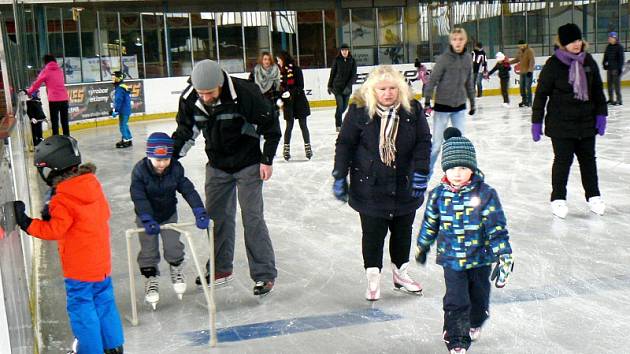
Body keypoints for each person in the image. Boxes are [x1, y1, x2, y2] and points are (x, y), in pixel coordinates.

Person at [171, 59, 281, 296]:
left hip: (249, 163)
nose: (205, 97)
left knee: (252, 218)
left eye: (210, 93)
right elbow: (185, 132)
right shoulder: (191, 98)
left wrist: (267, 159)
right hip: (217, 164)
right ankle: (220, 269)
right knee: (216, 218)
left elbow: (271, 125)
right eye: (201, 93)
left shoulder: (245, 93)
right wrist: (168, 162)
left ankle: (264, 274)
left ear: (220, 84)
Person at [12, 135, 124, 354]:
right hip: (101, 263)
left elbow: (54, 230)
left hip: (79, 268)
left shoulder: (63, 198)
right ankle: (113, 346)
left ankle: (90, 351)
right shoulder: (92, 185)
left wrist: (26, 223)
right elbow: (105, 213)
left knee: (82, 309)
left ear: (54, 169)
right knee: (104, 302)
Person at [332, 65, 432, 301]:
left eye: (392, 88)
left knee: (402, 232)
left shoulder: (412, 110)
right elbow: (345, 143)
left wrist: (421, 171)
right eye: (382, 89)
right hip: (370, 186)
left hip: (404, 184)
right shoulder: (359, 112)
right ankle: (373, 278)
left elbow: (423, 141)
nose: (388, 93)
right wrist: (339, 174)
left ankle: (400, 274)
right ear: (372, 91)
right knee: (373, 234)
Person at [415, 127, 514, 354]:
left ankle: (476, 320)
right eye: (451, 168)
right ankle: (456, 337)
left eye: (463, 168)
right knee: (456, 299)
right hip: (452, 259)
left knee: (478, 298)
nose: (457, 173)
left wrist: (503, 253)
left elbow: (496, 228)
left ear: (472, 168)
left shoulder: (486, 194)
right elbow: (430, 223)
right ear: (444, 169)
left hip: (480, 259)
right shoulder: (438, 195)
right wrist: (423, 245)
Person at [531, 23, 607, 218]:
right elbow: (541, 95)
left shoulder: (588, 60)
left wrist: (601, 114)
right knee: (563, 162)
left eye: (579, 40)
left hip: (586, 122)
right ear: (563, 43)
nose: (577, 44)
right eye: (572, 41)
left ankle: (594, 196)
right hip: (561, 125)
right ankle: (558, 199)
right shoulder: (553, 64)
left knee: (589, 161)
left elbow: (597, 90)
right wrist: (536, 121)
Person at [129, 132, 209, 309]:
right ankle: (150, 278)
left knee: (173, 245)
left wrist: (199, 209)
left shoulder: (175, 168)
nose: (162, 164)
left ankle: (176, 267)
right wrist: (146, 217)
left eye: (165, 159)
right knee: (148, 249)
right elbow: (138, 196)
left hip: (168, 214)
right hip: (145, 217)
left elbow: (188, 189)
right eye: (158, 160)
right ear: (149, 156)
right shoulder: (140, 171)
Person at [423, 27, 476, 177]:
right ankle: (425, 177)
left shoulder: (467, 58)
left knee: (459, 144)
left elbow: (469, 81)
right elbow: (432, 80)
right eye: (454, 39)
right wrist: (427, 101)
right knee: (437, 146)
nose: (457, 42)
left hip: (459, 107)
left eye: (460, 39)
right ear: (450, 41)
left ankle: (460, 177)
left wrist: (472, 101)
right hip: (442, 107)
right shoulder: (444, 59)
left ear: (465, 40)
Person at [277, 51, 313, 160]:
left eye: (279, 60)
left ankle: (308, 148)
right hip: (288, 103)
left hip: (299, 101)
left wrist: (290, 92)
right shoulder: (280, 73)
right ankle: (286, 149)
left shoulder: (296, 70)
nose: (278, 62)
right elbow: (278, 88)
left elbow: (300, 86)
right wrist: (281, 97)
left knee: (303, 125)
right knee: (289, 126)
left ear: (284, 59)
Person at [26, 54, 70, 136]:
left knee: (55, 122)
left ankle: (56, 140)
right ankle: (67, 139)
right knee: (65, 121)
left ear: (45, 62)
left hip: (54, 100)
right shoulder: (60, 70)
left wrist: (29, 91)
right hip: (64, 99)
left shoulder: (45, 71)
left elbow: (37, 84)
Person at [328, 44, 357, 132]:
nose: (344, 52)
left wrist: (349, 86)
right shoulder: (337, 60)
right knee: (340, 106)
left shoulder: (352, 61)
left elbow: (353, 75)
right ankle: (338, 125)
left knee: (344, 107)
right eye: (343, 50)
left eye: (346, 50)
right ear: (340, 51)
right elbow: (332, 73)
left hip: (347, 88)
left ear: (348, 51)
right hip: (337, 87)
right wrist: (329, 85)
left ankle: (337, 116)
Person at [510, 39, 535, 107]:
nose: (520, 47)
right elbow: (517, 59)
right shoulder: (520, 51)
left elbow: (531, 61)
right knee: (521, 87)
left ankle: (529, 102)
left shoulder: (530, 50)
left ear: (525, 45)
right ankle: (524, 101)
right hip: (522, 72)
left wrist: (530, 70)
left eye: (522, 46)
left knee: (528, 87)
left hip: (528, 72)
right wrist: (508, 63)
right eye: (519, 46)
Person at [112, 71, 133, 148]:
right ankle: (129, 139)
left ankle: (126, 140)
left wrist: (116, 111)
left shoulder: (120, 88)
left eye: (114, 78)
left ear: (119, 78)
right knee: (125, 125)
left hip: (123, 110)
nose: (112, 79)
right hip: (126, 109)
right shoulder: (122, 86)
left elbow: (118, 100)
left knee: (122, 126)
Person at [603, 31, 624, 105]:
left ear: (615, 38)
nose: (609, 39)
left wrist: (620, 69)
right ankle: (611, 99)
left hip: (616, 69)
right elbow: (605, 56)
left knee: (616, 85)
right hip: (609, 68)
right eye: (609, 37)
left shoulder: (619, 47)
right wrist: (604, 64)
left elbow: (621, 59)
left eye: (611, 37)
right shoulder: (608, 46)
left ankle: (619, 100)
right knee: (609, 85)